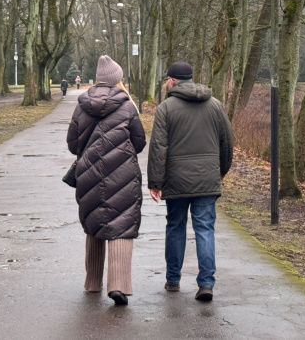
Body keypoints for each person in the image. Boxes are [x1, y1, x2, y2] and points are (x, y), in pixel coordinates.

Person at [147, 61, 233, 302]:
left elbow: (158, 147)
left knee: (175, 227)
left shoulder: (166, 108)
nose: (166, 83)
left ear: (173, 80)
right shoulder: (215, 105)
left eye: (167, 79)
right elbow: (227, 141)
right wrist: (221, 171)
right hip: (207, 177)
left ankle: (173, 280)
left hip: (176, 179)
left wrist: (156, 182)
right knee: (205, 228)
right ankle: (206, 283)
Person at [67, 55, 146, 306]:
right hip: (122, 174)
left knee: (94, 223)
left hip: (88, 173)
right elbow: (140, 142)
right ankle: (119, 285)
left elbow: (72, 144)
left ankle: (93, 282)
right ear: (117, 79)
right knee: (121, 224)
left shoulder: (81, 106)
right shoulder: (127, 106)